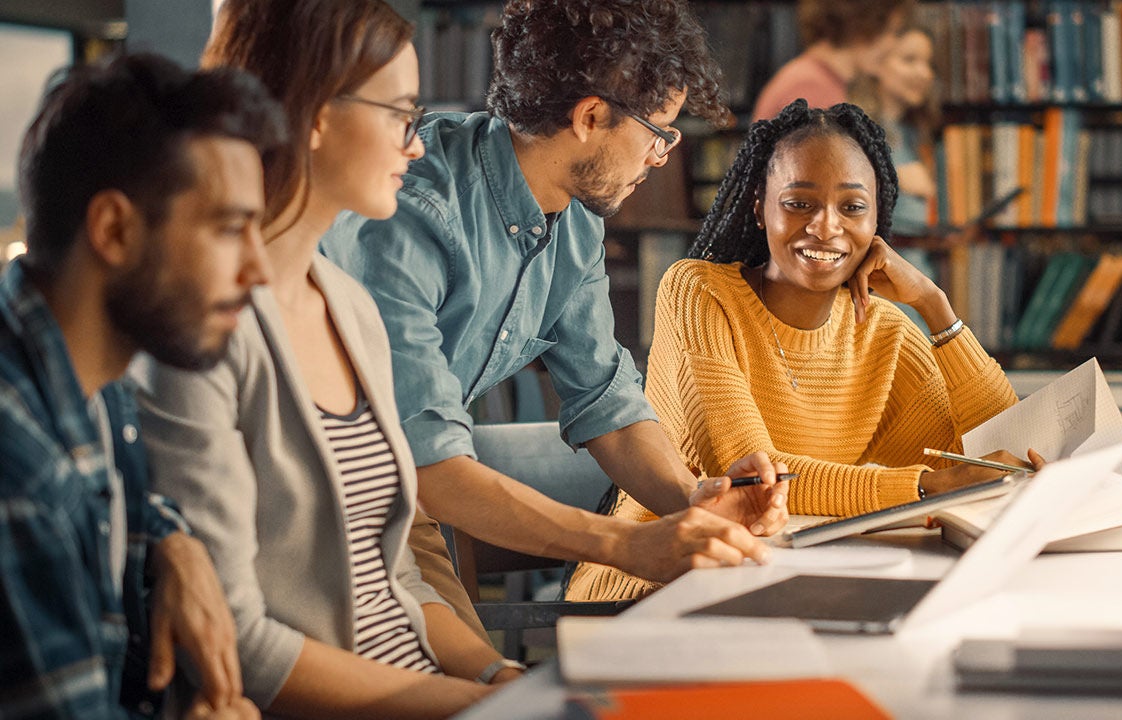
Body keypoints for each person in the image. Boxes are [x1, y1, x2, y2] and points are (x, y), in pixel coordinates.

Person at [320, 0, 790, 622]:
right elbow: (429, 465)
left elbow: (609, 407)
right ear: (591, 116)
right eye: (659, 132)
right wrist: (627, 545)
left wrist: (696, 502)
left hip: (404, 502)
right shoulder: (414, 212)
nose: (661, 158)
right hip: (323, 504)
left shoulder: (573, 224)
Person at [130, 1, 515, 717]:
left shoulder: (350, 304)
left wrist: (497, 675)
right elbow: (237, 640)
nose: (418, 144)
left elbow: (395, 574)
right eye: (403, 113)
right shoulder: (202, 329)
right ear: (315, 114)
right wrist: (464, 704)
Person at [569, 100, 1042, 601]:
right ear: (759, 206)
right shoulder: (700, 294)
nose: (825, 226)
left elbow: (991, 453)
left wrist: (935, 304)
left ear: (878, 219)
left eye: (853, 207)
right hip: (658, 581)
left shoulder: (886, 331)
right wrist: (924, 488)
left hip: (789, 576)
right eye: (799, 203)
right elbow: (756, 478)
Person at [1, 53, 282, 719]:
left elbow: (115, 489)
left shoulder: (98, 387)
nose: (259, 270)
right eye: (230, 228)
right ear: (115, 230)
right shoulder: (18, 479)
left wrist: (170, 539)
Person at [850, 25, 944, 328]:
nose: (924, 73)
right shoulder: (856, 129)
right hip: (880, 286)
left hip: (916, 271)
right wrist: (896, 177)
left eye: (928, 64)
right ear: (876, 64)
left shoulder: (913, 133)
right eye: (909, 60)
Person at [751, 0, 913, 121]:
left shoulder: (816, 79)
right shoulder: (810, 87)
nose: (892, 44)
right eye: (890, 31)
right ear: (861, 24)